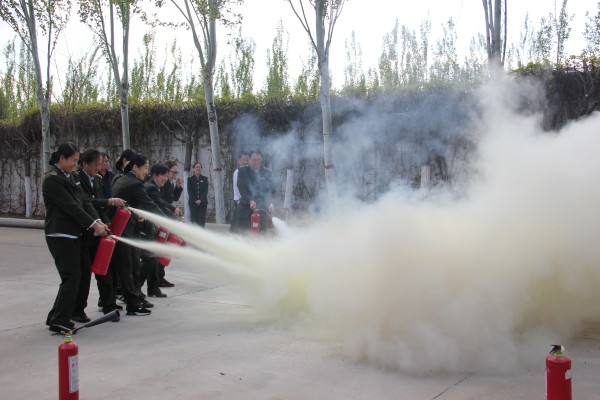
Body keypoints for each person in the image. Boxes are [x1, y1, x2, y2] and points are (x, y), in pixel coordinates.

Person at [42, 142, 110, 332]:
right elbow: (70, 206)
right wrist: (93, 224)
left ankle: (56, 317)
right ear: (61, 159)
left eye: (77, 160)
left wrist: (98, 220)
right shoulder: (52, 180)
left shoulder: (71, 176)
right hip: (59, 234)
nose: (75, 164)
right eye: (73, 160)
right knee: (71, 276)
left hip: (73, 234)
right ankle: (59, 320)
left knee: (75, 275)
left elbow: (85, 202)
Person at [111, 154, 167, 316]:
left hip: (126, 228)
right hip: (126, 231)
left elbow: (128, 203)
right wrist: (168, 222)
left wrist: (136, 214)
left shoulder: (122, 179)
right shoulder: (135, 183)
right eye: (145, 168)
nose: (146, 172)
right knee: (129, 268)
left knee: (133, 265)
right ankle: (133, 305)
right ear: (135, 167)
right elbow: (150, 205)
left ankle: (136, 298)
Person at [76, 148, 126, 322]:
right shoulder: (77, 179)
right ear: (84, 163)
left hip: (100, 231)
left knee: (105, 270)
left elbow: (100, 206)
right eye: (96, 164)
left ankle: (109, 306)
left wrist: (106, 222)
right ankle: (78, 310)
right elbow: (87, 203)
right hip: (84, 233)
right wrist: (110, 202)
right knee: (84, 274)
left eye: (100, 164)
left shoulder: (97, 179)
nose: (98, 168)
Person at [142, 163, 176, 298]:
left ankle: (153, 288)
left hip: (151, 226)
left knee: (154, 257)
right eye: (164, 176)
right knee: (150, 259)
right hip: (145, 227)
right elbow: (159, 205)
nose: (166, 179)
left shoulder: (154, 186)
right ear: (155, 175)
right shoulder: (151, 187)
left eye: (167, 176)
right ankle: (133, 289)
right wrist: (175, 221)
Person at [235, 150, 275, 234]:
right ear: (249, 159)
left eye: (259, 160)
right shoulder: (242, 171)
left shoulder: (267, 173)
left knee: (261, 235)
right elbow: (241, 187)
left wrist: (271, 202)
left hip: (262, 209)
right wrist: (250, 200)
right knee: (243, 235)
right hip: (245, 209)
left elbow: (272, 190)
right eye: (254, 160)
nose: (257, 162)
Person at [158, 160, 184, 288]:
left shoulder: (168, 183)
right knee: (162, 246)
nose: (175, 175)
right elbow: (160, 201)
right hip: (163, 215)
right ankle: (158, 276)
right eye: (173, 172)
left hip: (168, 213)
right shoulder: (161, 184)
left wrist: (178, 186)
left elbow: (173, 198)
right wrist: (173, 209)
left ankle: (160, 275)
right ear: (167, 171)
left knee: (167, 246)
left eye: (176, 173)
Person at [229, 151, 249, 232]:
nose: (245, 162)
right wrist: (237, 200)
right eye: (243, 160)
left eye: (247, 160)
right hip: (240, 200)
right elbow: (236, 187)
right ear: (239, 161)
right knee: (238, 220)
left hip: (248, 200)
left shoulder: (250, 172)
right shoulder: (237, 172)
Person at [187, 162, 208, 226]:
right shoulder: (190, 179)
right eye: (196, 167)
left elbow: (205, 190)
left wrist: (200, 200)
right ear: (194, 169)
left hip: (202, 202)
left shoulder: (205, 179)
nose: (198, 168)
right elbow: (190, 191)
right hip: (193, 203)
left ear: (201, 168)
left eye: (199, 167)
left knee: (201, 220)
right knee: (194, 221)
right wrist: (195, 200)